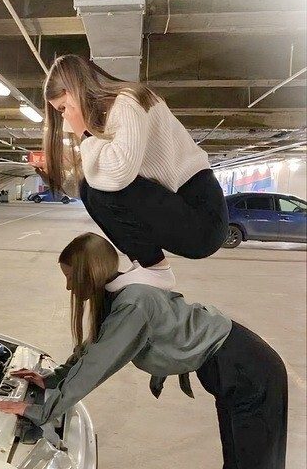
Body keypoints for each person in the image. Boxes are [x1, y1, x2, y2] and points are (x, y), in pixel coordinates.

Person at [0, 232, 288, 469]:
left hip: (250, 371)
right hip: (233, 370)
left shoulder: (133, 304)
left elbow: (98, 366)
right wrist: (51, 380)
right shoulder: (122, 295)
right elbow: (94, 350)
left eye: (71, 277)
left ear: (88, 273)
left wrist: (40, 409)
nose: (69, 286)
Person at [42, 54, 228, 292]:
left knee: (95, 189)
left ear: (73, 92)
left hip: (202, 218)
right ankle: (145, 264)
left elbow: (119, 172)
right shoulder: (113, 113)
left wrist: (84, 133)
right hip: (184, 208)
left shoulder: (128, 101)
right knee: (89, 188)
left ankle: (156, 269)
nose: (64, 117)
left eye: (63, 108)